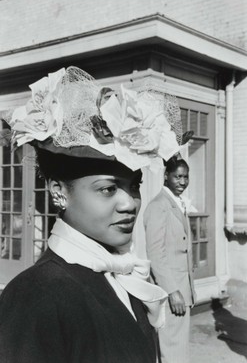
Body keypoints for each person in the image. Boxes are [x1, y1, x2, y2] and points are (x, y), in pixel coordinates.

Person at [0, 66, 183, 363]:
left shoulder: (125, 272)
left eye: (133, 186)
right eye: (108, 189)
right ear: (59, 191)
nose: (130, 203)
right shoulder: (35, 294)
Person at [144, 156, 196, 363]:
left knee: (176, 346)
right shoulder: (159, 206)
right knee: (172, 347)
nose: (182, 182)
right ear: (166, 176)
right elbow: (156, 253)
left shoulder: (175, 203)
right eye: (177, 177)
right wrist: (173, 291)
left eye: (186, 177)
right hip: (172, 290)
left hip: (182, 288)